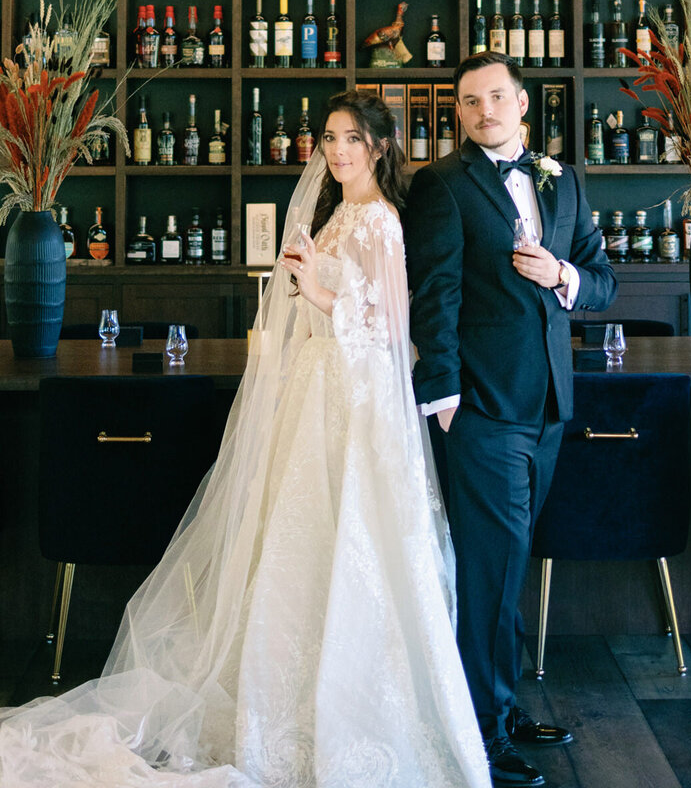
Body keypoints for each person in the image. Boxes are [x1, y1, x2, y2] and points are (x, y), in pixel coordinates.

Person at [0, 90, 492, 788]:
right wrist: (306, 282)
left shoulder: (381, 221)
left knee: (355, 537)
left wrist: (320, 297)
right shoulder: (338, 215)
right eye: (330, 137)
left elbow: (390, 328)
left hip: (356, 397)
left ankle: (347, 703)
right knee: (297, 538)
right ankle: (279, 696)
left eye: (352, 138)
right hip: (317, 388)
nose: (338, 150)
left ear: (380, 148)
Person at [404, 52, 618, 788]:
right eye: (469, 101)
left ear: (522, 105)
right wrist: (445, 399)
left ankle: (504, 703)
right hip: (484, 410)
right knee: (490, 572)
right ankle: (484, 736)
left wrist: (565, 276)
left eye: (496, 96)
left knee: (509, 567)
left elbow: (602, 277)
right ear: (458, 112)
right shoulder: (439, 185)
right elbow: (433, 296)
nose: (483, 110)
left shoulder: (561, 178)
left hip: (550, 407)